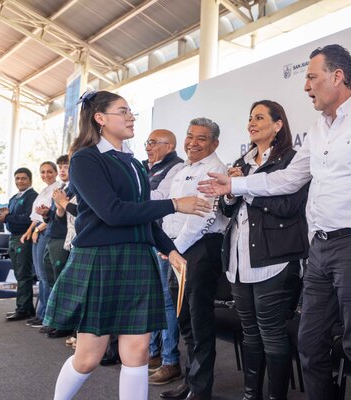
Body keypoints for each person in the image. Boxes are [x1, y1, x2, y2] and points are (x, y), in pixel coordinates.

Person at [198, 44, 351, 400]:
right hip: (320, 250)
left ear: (337, 76)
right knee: (310, 343)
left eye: (312, 77)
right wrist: (235, 185)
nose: (306, 86)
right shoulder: (317, 130)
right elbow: (287, 179)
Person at [42, 90, 210, 400]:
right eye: (123, 111)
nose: (131, 117)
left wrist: (171, 250)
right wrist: (174, 204)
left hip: (137, 258)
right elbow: (113, 212)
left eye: (131, 111)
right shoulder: (85, 158)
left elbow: (143, 216)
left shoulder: (133, 162)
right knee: (88, 357)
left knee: (138, 352)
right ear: (100, 118)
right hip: (101, 260)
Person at [218, 100, 308, 400]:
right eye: (250, 118)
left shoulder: (292, 159)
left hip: (275, 261)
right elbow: (226, 208)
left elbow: (289, 206)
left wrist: (243, 188)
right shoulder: (242, 162)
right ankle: (250, 395)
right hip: (239, 260)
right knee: (250, 333)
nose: (251, 123)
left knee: (272, 334)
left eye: (259, 117)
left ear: (278, 124)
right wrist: (230, 193)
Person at [159, 118, 228, 400]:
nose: (193, 143)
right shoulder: (183, 170)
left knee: (200, 322)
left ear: (214, 143)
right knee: (185, 319)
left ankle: (200, 390)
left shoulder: (215, 169)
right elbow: (172, 213)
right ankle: (190, 382)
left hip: (200, 249)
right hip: (178, 250)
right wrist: (169, 245)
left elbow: (203, 215)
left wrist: (174, 249)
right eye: (190, 136)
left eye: (201, 138)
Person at [144, 128, 185, 385]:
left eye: (152, 142)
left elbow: (161, 198)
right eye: (147, 143)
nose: (148, 147)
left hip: (165, 241)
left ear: (169, 146)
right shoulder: (147, 168)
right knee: (153, 299)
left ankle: (170, 361)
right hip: (148, 237)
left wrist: (134, 196)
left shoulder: (177, 167)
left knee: (167, 302)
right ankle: (153, 353)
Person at [0, 168, 38, 320]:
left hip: (24, 237)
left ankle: (23, 309)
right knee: (19, 275)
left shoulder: (33, 196)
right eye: (17, 178)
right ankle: (26, 308)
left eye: (23, 178)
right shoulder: (13, 198)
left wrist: (7, 217)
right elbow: (11, 218)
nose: (20, 181)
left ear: (30, 180)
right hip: (13, 238)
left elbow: (28, 220)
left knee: (24, 275)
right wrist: (3, 217)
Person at [23, 160, 62, 329]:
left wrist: (37, 230)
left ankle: (46, 315)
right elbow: (36, 216)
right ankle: (41, 313)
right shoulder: (44, 190)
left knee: (46, 276)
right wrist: (29, 230)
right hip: (38, 231)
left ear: (56, 173)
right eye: (43, 172)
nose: (46, 175)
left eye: (50, 171)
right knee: (40, 276)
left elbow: (51, 216)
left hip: (46, 231)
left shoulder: (57, 189)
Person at [39, 155, 72, 338]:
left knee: (61, 281)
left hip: (63, 238)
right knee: (51, 279)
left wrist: (60, 208)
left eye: (66, 166)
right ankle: (54, 319)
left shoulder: (75, 188)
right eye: (60, 166)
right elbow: (56, 217)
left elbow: (70, 215)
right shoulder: (61, 189)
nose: (62, 170)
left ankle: (64, 322)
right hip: (52, 236)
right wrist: (47, 214)